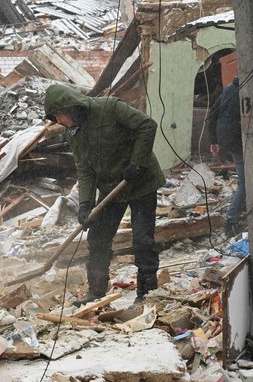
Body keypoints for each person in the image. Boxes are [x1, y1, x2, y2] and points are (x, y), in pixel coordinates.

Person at [44, 84, 165, 304]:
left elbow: (147, 126)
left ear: (71, 107)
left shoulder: (110, 107)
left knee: (142, 239)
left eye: (60, 116)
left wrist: (137, 163)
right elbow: (85, 168)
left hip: (141, 182)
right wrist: (85, 204)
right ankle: (96, 291)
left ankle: (146, 292)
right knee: (98, 238)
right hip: (112, 188)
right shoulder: (74, 133)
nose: (59, 122)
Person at [208, 76, 245, 237]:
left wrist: (214, 140)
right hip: (239, 139)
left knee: (248, 179)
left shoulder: (229, 88)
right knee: (247, 182)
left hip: (227, 139)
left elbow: (212, 113)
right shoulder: (249, 89)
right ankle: (231, 221)